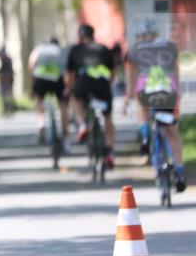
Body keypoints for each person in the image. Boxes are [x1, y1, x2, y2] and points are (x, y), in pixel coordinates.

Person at [124, 19, 185, 192]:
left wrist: (128, 96)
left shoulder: (135, 50)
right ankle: (179, 171)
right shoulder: (169, 46)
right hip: (168, 91)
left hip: (147, 90)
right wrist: (177, 94)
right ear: (156, 34)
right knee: (173, 132)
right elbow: (175, 72)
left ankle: (144, 135)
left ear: (141, 36)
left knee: (141, 105)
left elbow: (131, 77)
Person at [65, 23, 115, 169]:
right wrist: (108, 86)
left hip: (84, 82)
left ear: (80, 37)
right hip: (102, 83)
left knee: (75, 97)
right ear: (93, 35)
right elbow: (112, 72)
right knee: (108, 118)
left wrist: (69, 89)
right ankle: (110, 152)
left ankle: (82, 125)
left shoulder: (75, 49)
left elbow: (70, 74)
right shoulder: (104, 49)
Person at [28, 37, 69, 145]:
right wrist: (67, 87)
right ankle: (65, 134)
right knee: (62, 104)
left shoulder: (38, 49)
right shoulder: (60, 51)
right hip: (57, 79)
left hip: (40, 78)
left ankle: (41, 123)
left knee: (39, 100)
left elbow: (32, 65)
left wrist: (33, 83)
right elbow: (66, 69)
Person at [0, 47, 16, 115]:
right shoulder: (8, 59)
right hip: (8, 78)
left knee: (5, 94)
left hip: (5, 79)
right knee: (7, 94)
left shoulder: (3, 59)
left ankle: (8, 108)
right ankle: (9, 108)